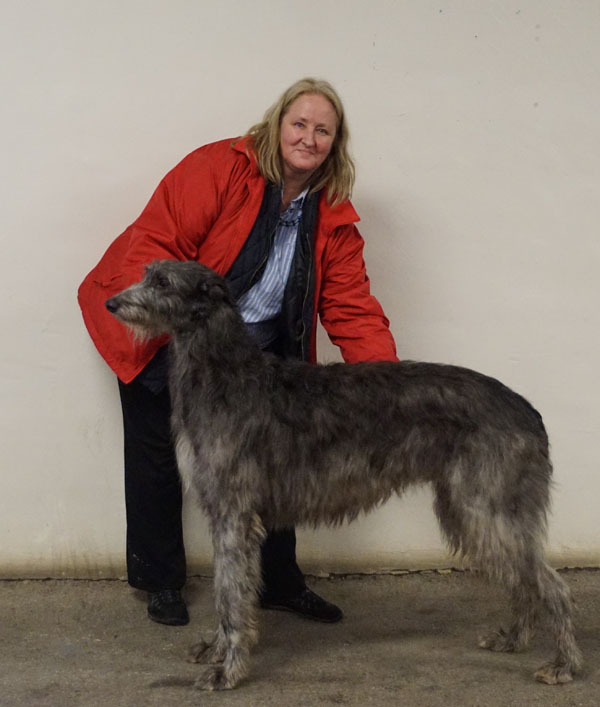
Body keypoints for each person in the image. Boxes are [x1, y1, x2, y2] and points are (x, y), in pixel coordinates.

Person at [78, 77, 398, 627]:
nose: (309, 137)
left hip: (258, 349)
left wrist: (388, 386)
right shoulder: (219, 168)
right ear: (278, 125)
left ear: (335, 143)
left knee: (277, 463)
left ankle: (278, 583)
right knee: (158, 455)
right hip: (169, 330)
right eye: (300, 124)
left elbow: (351, 304)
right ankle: (162, 582)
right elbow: (157, 244)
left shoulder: (334, 212)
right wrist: (161, 320)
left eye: (323, 130)